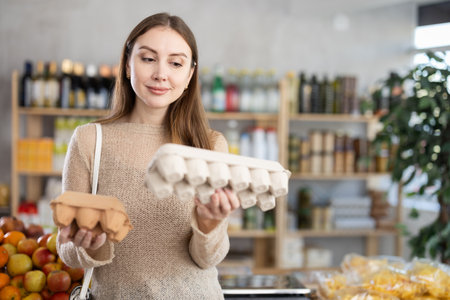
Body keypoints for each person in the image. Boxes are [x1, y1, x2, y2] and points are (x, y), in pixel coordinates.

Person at [56, 12, 240, 299]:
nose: (160, 74)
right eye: (148, 58)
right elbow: (66, 249)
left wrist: (208, 225)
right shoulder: (90, 140)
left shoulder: (210, 146)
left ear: (190, 75)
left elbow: (209, 258)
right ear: (128, 65)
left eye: (176, 63)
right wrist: (91, 243)